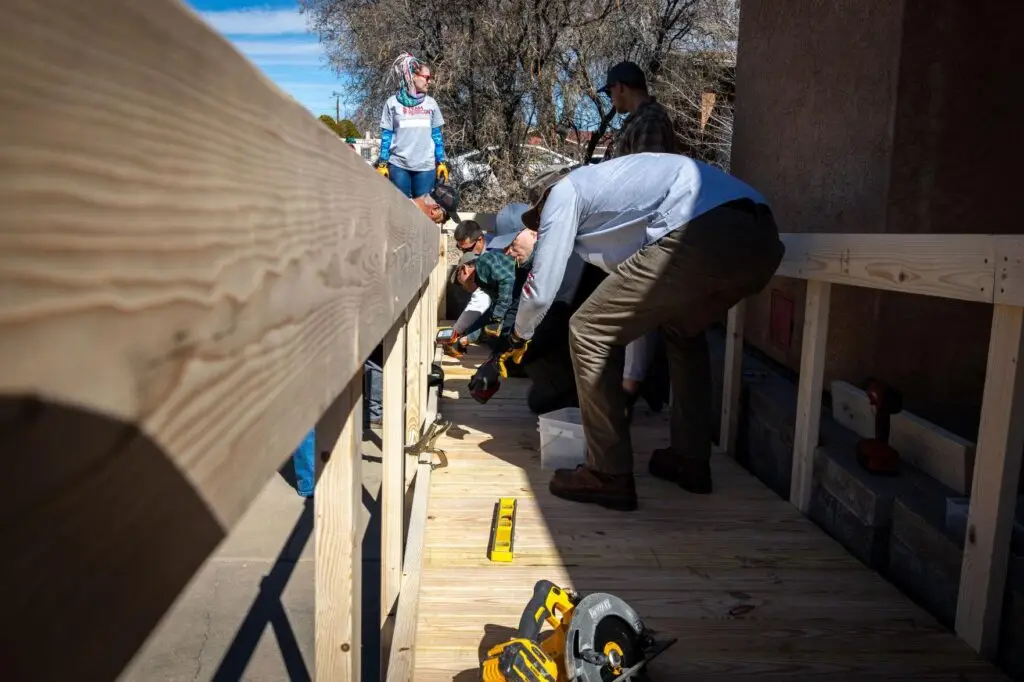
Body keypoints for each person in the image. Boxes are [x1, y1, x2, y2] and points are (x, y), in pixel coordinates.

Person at [502, 153, 785, 511]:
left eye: (539, 220)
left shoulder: (565, 191)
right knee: (683, 330)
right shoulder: (618, 205)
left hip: (699, 226)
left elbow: (541, 290)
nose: (543, 227)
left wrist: (518, 336)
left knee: (587, 330)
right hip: (760, 237)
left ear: (545, 198)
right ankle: (690, 459)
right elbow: (639, 316)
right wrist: (631, 380)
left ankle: (608, 473)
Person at [376, 53, 449, 198]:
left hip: (425, 168)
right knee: (400, 210)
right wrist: (383, 163)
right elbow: (386, 136)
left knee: (422, 213)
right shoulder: (392, 103)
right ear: (412, 76)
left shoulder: (431, 104)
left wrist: (441, 162)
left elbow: (436, 136)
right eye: (426, 78)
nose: (429, 82)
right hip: (398, 166)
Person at [600, 61, 679, 160]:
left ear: (620, 87)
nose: (611, 99)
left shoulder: (648, 121)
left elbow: (647, 171)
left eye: (609, 92)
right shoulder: (639, 120)